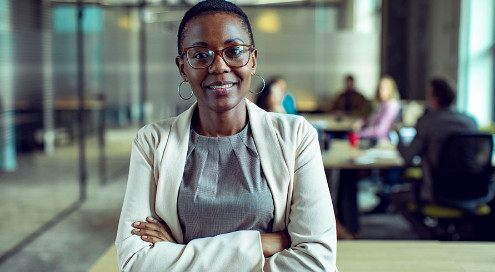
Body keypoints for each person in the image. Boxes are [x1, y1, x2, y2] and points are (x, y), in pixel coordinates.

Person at [115, 1, 338, 271]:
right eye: (200, 55)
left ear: (252, 60)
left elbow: (316, 262)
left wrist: (179, 251)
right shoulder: (152, 141)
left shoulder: (296, 136)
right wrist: (262, 244)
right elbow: (135, 262)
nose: (219, 66)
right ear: (182, 67)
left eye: (233, 51)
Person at [397, 77, 478, 201]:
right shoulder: (470, 121)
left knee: (394, 197)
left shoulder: (427, 122)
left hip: (436, 190)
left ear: (434, 98)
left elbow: (408, 156)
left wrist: (398, 136)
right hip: (470, 190)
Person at [356, 75, 401, 142]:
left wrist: (361, 134)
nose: (381, 91)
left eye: (384, 89)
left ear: (391, 90)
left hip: (382, 142)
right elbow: (370, 118)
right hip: (372, 138)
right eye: (380, 88)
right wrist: (360, 122)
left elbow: (381, 130)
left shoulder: (392, 105)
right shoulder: (381, 104)